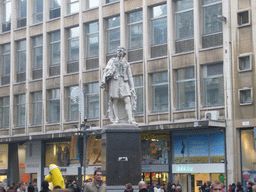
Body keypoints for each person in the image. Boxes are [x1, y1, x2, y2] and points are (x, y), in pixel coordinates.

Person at [101, 46, 136, 125]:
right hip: (114, 81)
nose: (118, 52)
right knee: (115, 100)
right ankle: (116, 118)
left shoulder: (126, 63)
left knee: (127, 99)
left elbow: (130, 76)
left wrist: (132, 87)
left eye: (120, 51)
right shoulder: (112, 61)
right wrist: (108, 72)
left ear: (124, 53)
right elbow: (106, 70)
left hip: (124, 81)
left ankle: (130, 118)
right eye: (118, 50)